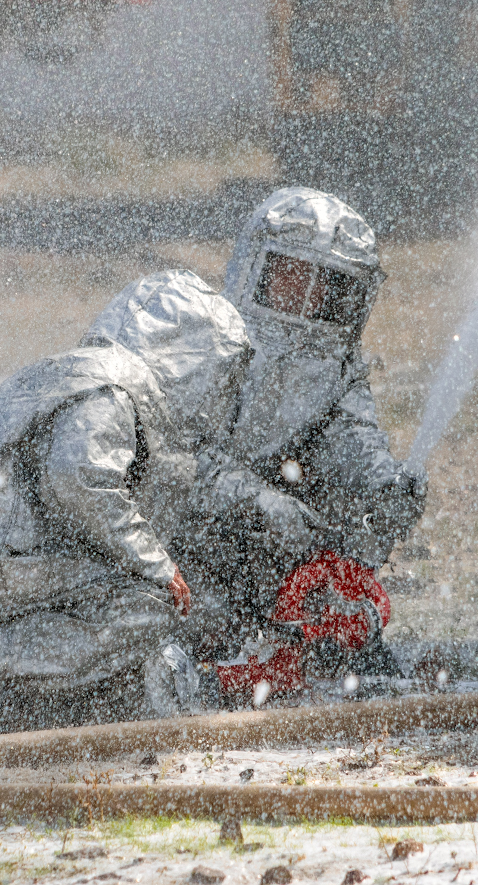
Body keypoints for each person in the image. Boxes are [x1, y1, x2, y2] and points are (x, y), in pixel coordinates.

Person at [0, 271, 252, 740]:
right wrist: (159, 566)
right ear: (193, 360)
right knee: (150, 604)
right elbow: (79, 475)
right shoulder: (114, 386)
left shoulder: (67, 370)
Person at [178, 187, 426, 697]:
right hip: (191, 534)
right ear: (255, 267)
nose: (309, 298)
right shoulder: (208, 341)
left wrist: (386, 485)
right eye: (293, 276)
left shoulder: (337, 362)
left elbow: (352, 433)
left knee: (341, 518)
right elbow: (178, 458)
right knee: (194, 628)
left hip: (279, 535)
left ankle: (313, 635)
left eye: (329, 285)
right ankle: (213, 655)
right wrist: (260, 502)